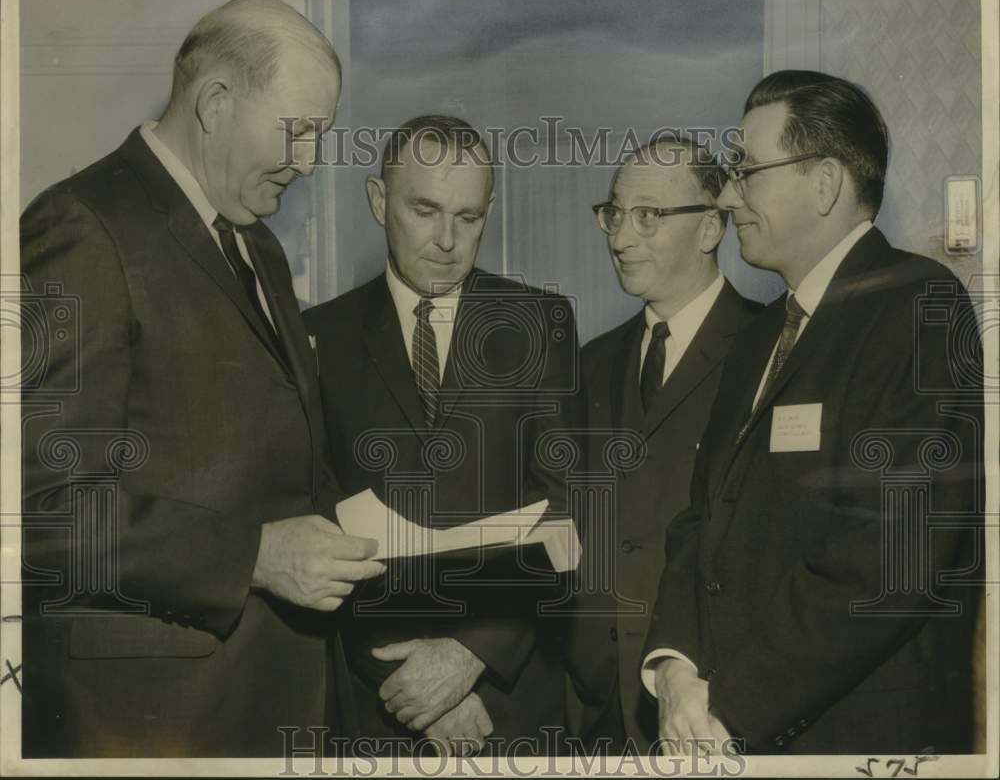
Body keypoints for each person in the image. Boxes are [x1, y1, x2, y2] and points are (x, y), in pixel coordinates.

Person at [19, 0, 384, 758]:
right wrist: (253, 555)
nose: (312, 162)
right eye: (300, 133)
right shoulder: (83, 225)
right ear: (217, 101)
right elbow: (43, 509)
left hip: (268, 710)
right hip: (147, 728)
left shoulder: (261, 249)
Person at [641, 70, 983, 755]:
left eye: (746, 169)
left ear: (824, 183)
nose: (730, 193)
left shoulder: (920, 308)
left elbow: (888, 560)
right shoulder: (757, 337)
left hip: (857, 738)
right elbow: (701, 520)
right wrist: (674, 668)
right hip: (722, 728)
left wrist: (729, 701)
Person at [303, 115, 583, 756]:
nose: (448, 241)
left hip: (508, 698)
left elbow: (569, 511)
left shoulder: (542, 323)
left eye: (470, 216)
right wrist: (409, 684)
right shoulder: (318, 337)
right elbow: (312, 519)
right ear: (379, 201)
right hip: (378, 700)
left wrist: (470, 655)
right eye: (425, 210)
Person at [566, 138, 760, 753]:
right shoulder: (591, 364)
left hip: (708, 713)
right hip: (592, 714)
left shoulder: (771, 349)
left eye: (649, 216)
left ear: (710, 227)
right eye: (614, 214)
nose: (621, 238)